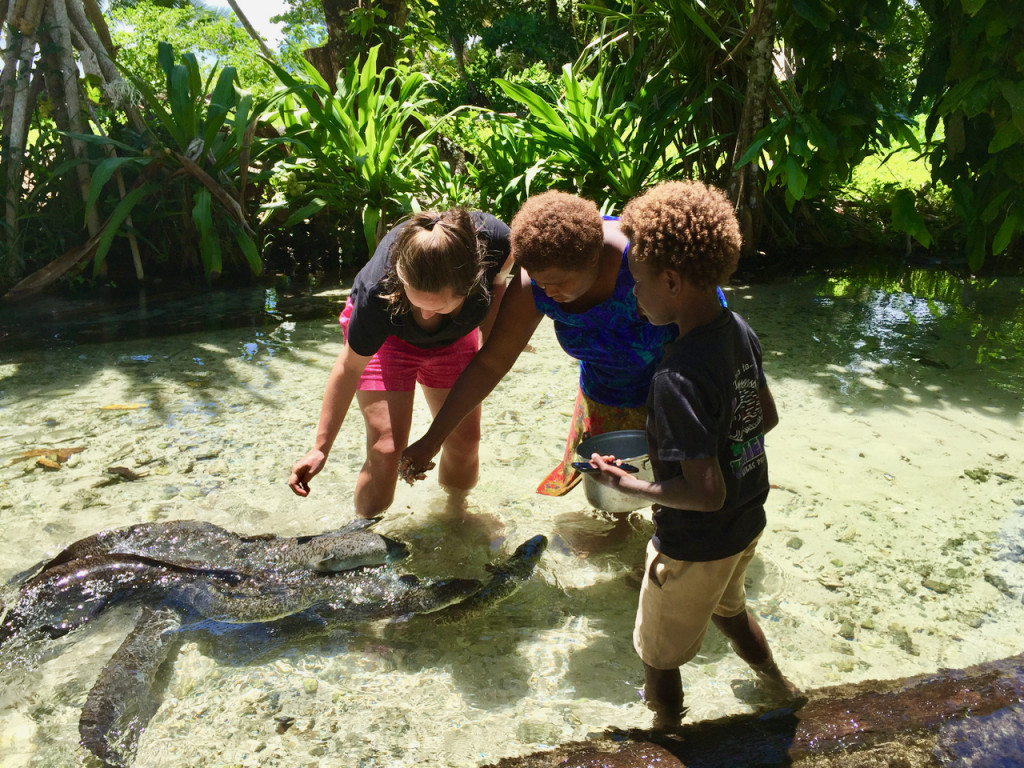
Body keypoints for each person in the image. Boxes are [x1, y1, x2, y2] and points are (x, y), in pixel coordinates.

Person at [585, 180, 799, 728]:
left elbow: (705, 493)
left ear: (672, 281)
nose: (633, 296)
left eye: (637, 284)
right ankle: (779, 686)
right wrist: (701, 448)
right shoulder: (738, 331)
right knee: (730, 611)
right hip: (746, 522)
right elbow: (764, 417)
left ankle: (667, 733)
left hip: (693, 545)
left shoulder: (674, 376)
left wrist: (630, 485)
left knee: (656, 655)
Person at [399, 191, 677, 496]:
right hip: (604, 396)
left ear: (593, 258)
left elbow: (708, 325)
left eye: (558, 282)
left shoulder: (643, 260)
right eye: (540, 282)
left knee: (673, 500)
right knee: (614, 503)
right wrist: (433, 439)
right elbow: (492, 363)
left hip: (673, 395)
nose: (548, 291)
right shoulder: (535, 283)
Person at [288, 210, 513, 518]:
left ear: (472, 284)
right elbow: (349, 368)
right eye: (418, 303)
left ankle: (455, 518)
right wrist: (320, 448)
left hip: (455, 337)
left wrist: (490, 338)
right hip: (390, 333)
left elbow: (500, 281)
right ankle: (362, 531)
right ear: (402, 279)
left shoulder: (499, 242)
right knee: (386, 449)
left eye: (440, 307)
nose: (426, 318)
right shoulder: (378, 292)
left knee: (464, 442)